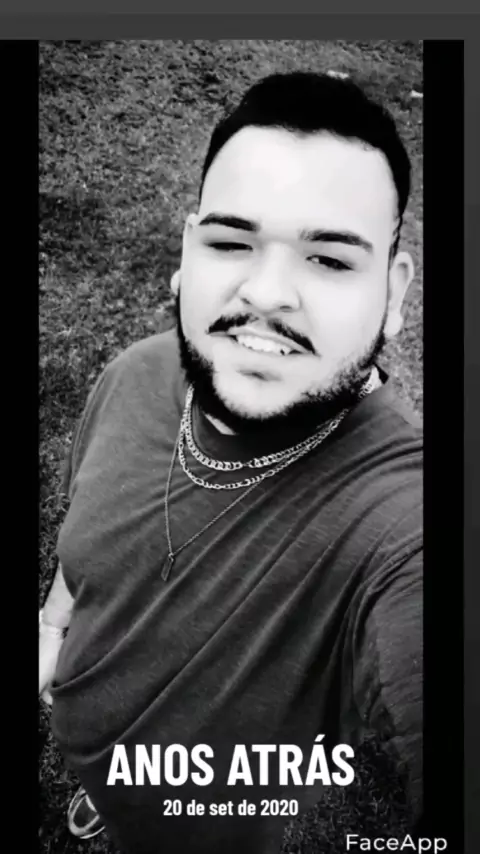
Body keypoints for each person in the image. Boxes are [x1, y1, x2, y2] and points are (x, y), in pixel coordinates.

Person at [39, 71, 423, 854]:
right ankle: (103, 795)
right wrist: (53, 622)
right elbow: (86, 545)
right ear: (186, 255)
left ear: (393, 295)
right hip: (92, 743)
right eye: (229, 242)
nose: (267, 292)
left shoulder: (400, 517)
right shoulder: (136, 373)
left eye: (330, 259)